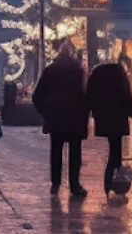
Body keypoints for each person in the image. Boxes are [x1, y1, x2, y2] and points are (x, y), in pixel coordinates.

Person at [33, 42, 89, 197]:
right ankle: (75, 185)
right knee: (75, 153)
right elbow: (86, 95)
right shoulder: (78, 71)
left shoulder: (50, 71)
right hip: (75, 119)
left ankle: (55, 182)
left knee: (56, 151)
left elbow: (37, 96)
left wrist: (46, 113)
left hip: (56, 119)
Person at [85, 60, 132, 195]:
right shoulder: (119, 74)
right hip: (118, 116)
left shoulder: (97, 74)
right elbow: (126, 93)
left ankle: (109, 183)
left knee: (114, 150)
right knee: (116, 150)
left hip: (104, 117)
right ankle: (114, 182)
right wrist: (130, 110)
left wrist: (91, 112)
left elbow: (89, 96)